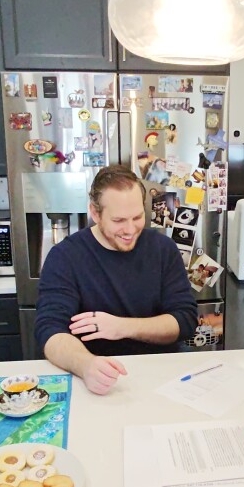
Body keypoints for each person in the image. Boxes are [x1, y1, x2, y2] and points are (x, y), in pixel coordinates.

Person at [35, 165, 197, 395]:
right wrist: (85, 364)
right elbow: (50, 331)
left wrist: (121, 327)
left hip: (161, 374)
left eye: (138, 217)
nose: (130, 230)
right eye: (119, 220)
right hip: (93, 376)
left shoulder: (163, 249)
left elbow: (185, 320)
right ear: (95, 213)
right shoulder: (65, 256)